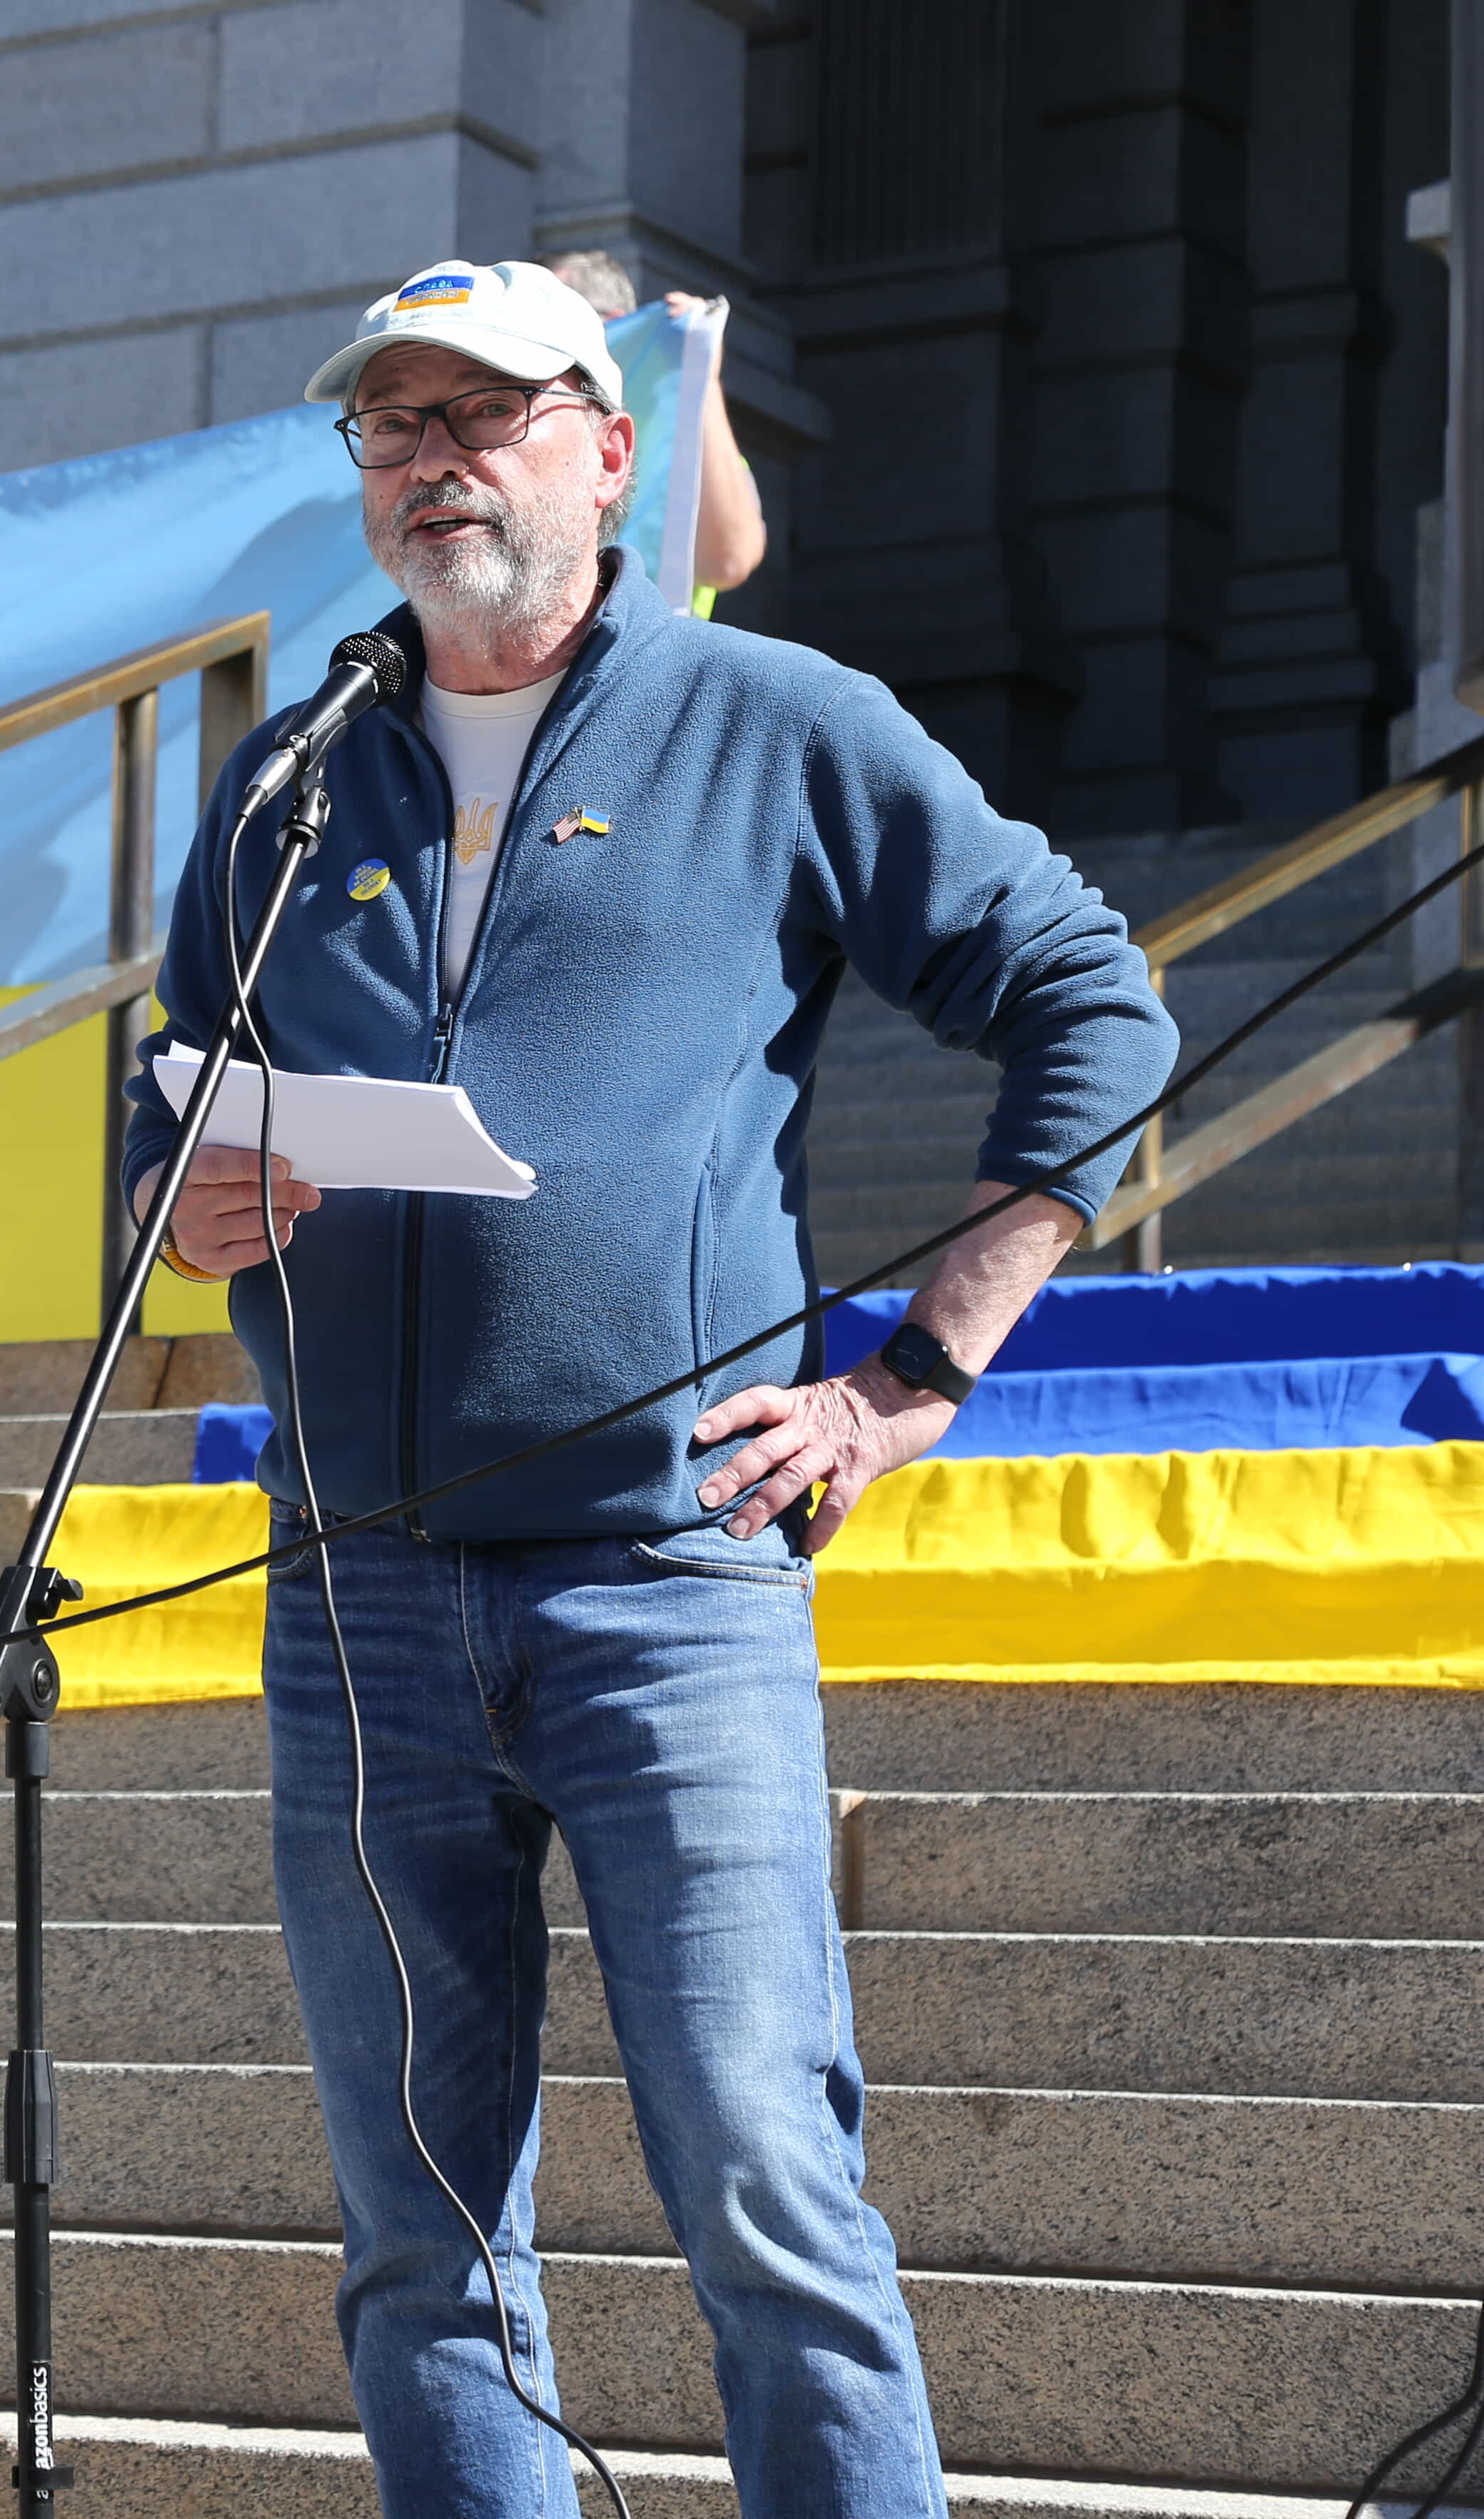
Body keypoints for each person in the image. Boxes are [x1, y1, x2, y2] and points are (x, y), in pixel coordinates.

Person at [119, 258, 1172, 2515]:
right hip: (358, 1594)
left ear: (611, 452)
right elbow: (174, 1091)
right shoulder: (287, 777)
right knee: (422, 2238)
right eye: (392, 424)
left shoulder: (772, 721)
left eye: (480, 413)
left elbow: (1096, 1003)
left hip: (666, 1579)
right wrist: (182, 1206)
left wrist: (915, 1374)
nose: (432, 460)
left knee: (767, 2192)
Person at [543, 245, 764, 608]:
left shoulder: (680, 443)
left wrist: (696, 371)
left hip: (648, 643)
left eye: (549, 324)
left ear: (612, 327)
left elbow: (728, 562)